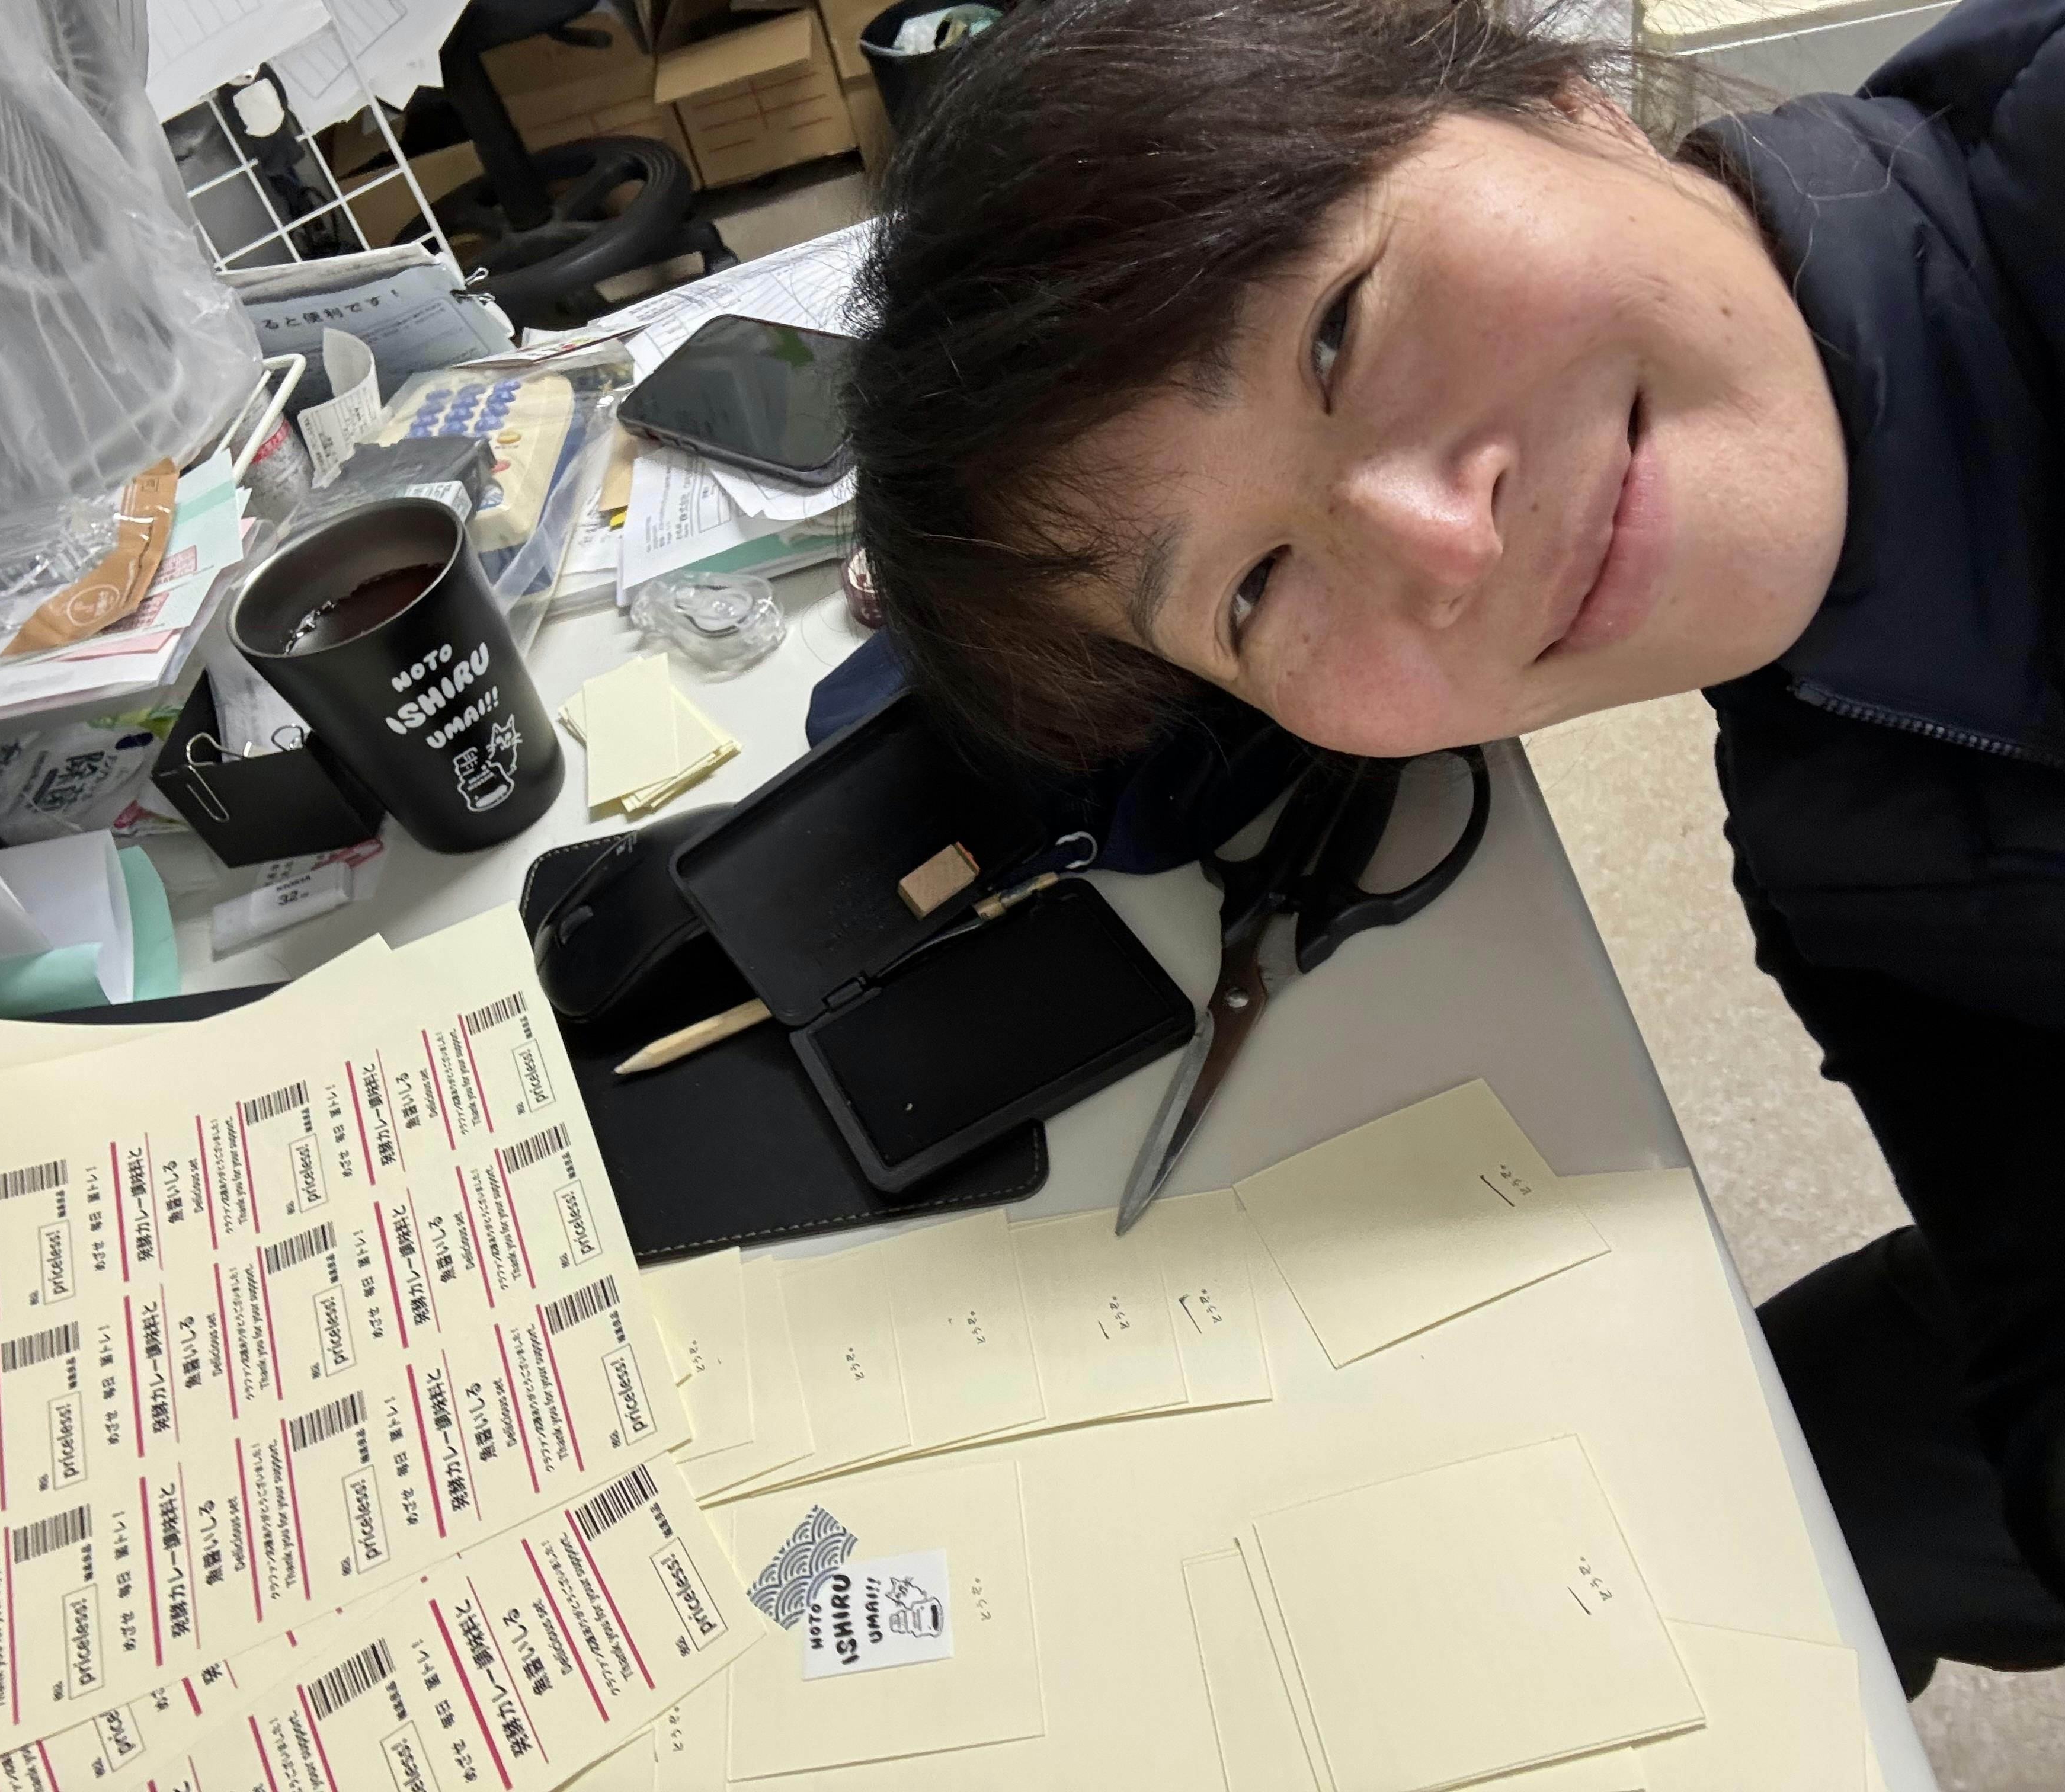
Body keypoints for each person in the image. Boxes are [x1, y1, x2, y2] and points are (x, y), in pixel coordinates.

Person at [844, 0, 2065, 1694]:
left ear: (1564, 101)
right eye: (1253, 592)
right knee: (1757, 1502)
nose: (1440, 546)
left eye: (1339, 327)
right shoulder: (1837, 849)